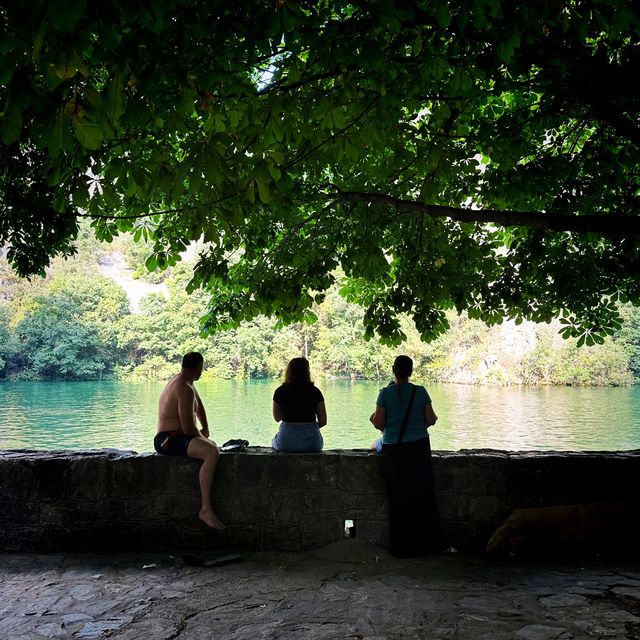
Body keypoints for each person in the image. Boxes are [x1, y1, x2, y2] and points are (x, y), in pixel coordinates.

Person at [370, 355, 441, 557]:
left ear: (394, 370)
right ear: (411, 371)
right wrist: (415, 428)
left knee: (398, 498)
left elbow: (379, 424)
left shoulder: (385, 394)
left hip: (393, 449)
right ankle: (429, 546)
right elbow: (430, 419)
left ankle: (402, 548)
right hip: (419, 447)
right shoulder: (420, 392)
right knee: (423, 495)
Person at [154, 352, 225, 530]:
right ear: (199, 367)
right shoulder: (182, 388)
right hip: (166, 440)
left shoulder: (186, 383)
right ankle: (205, 510)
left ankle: (206, 509)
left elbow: (198, 404)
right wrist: (206, 441)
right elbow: (188, 429)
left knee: (211, 447)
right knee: (211, 452)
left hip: (176, 437)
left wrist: (206, 428)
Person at [272, 357, 327, 452]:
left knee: (274, 440)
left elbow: (277, 418)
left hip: (286, 443)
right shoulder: (315, 392)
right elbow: (323, 421)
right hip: (312, 444)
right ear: (307, 372)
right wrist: (308, 428)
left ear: (289, 372)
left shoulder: (280, 391)